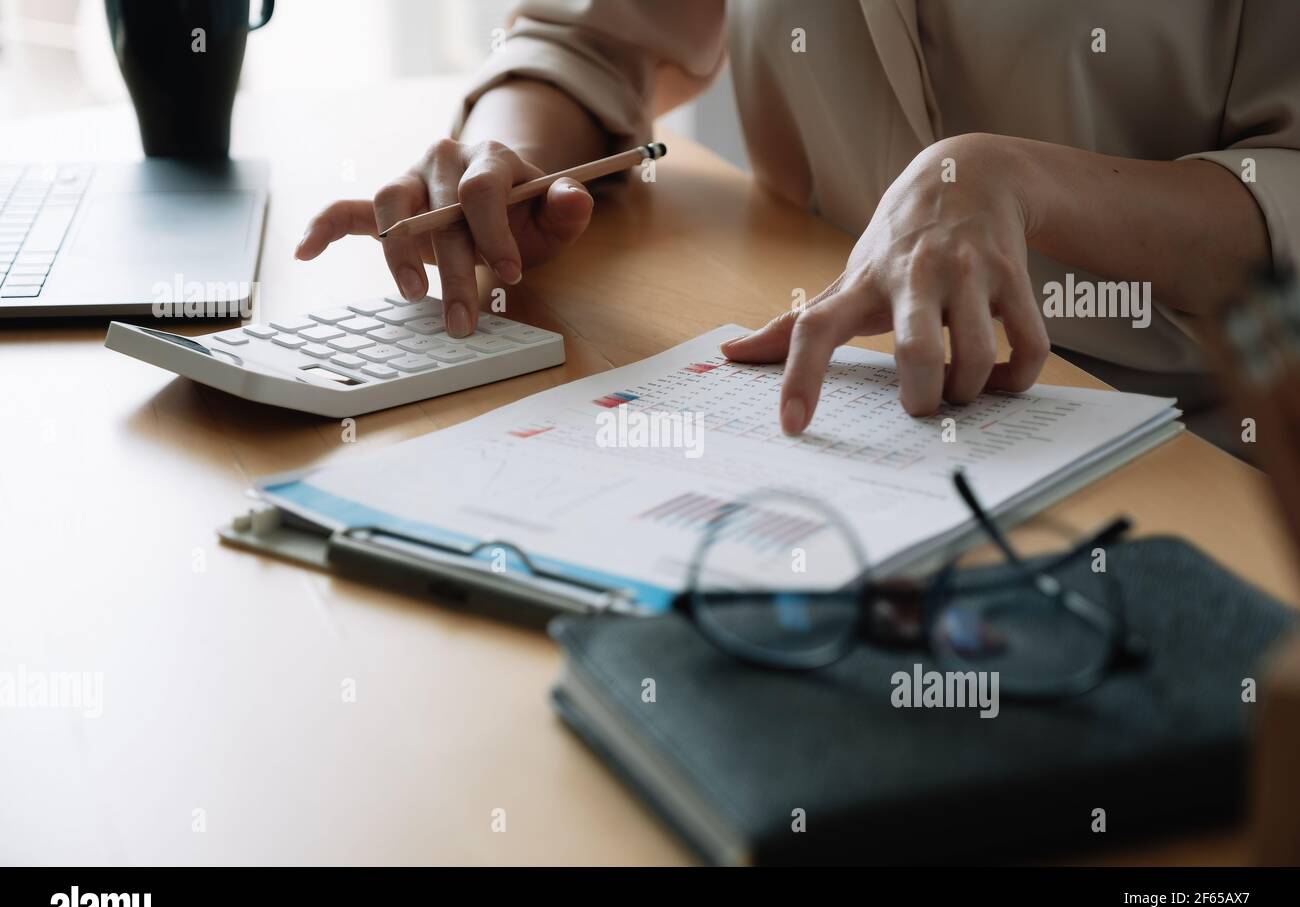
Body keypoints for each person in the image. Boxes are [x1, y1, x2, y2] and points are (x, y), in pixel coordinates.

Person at [296, 1, 1298, 448]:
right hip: (839, 400)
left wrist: (1010, 179)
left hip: (1205, 440)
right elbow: (592, 34)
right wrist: (505, 157)